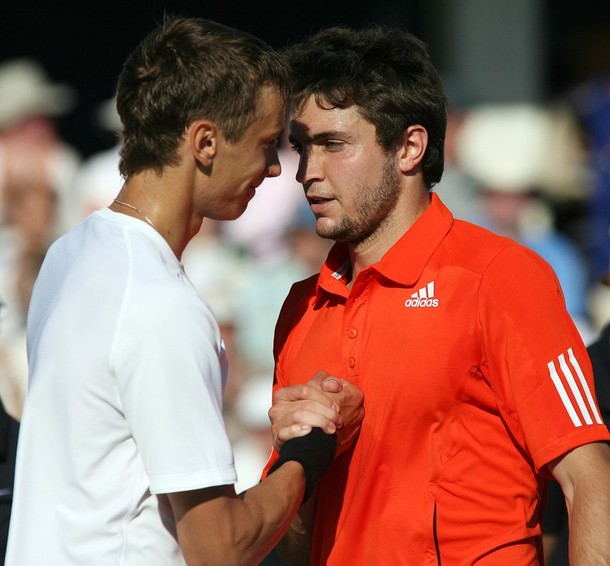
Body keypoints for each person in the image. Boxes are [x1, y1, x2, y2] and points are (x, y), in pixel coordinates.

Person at [5, 17, 364, 566]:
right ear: (204, 142)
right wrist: (311, 449)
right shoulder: (158, 303)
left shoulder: (71, 254)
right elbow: (220, 548)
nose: (275, 169)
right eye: (268, 143)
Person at [264, 25, 610, 565]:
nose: (308, 172)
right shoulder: (300, 307)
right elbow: (296, 545)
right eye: (302, 147)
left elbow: (591, 482)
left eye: (333, 144)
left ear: (409, 147)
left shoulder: (501, 276)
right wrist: (303, 457)